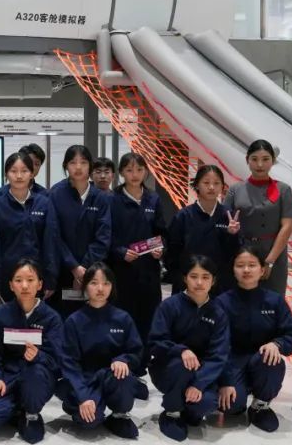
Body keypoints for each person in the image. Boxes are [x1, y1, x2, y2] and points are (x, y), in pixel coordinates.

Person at [54, 262, 142, 439]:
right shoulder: (74, 321)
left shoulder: (122, 318)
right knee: (89, 422)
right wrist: (83, 396)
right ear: (85, 286)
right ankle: (74, 404)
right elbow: (69, 362)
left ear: (112, 286)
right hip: (85, 379)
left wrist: (123, 359)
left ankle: (119, 415)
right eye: (94, 283)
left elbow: (136, 351)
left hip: (112, 376)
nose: (100, 288)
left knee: (123, 375)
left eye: (106, 283)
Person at [215, 247, 292, 432]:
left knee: (271, 359)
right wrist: (225, 381)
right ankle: (239, 392)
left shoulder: (275, 301)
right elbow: (216, 345)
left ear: (262, 270)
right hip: (233, 361)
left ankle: (261, 405)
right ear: (233, 270)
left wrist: (277, 344)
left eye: (252, 265)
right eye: (240, 265)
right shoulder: (222, 302)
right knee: (231, 407)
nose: (246, 270)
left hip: (262, 360)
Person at [149, 255, 230, 442]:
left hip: (202, 373)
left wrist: (199, 383)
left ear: (213, 281)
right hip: (169, 370)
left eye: (205, 277)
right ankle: (171, 412)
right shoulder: (170, 306)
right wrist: (180, 350)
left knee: (208, 403)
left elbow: (218, 355)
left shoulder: (218, 313)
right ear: (185, 278)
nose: (199, 282)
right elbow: (155, 341)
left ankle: (189, 411)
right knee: (182, 364)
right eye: (194, 276)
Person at [0, 259, 62, 443]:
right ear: (11, 285)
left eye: (30, 280)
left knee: (35, 373)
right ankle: (18, 409)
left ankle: (31, 413)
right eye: (18, 280)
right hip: (8, 376)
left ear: (40, 284)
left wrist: (38, 356)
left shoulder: (51, 318)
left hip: (37, 377)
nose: (24, 286)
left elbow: (57, 360)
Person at [108, 152, 166, 369]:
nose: (135, 174)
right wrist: (120, 251)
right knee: (123, 315)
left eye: (139, 170)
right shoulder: (112, 199)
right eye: (129, 170)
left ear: (146, 172)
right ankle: (123, 361)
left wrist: (160, 249)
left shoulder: (153, 199)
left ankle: (143, 361)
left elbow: (161, 232)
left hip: (148, 270)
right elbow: (106, 234)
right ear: (121, 172)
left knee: (148, 315)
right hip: (121, 270)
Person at [226, 140, 292, 296]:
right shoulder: (235, 190)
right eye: (254, 159)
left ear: (273, 161)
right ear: (247, 160)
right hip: (242, 253)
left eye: (265, 159)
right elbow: (225, 221)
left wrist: (270, 261)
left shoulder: (283, 190)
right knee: (241, 301)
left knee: (272, 301)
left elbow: (287, 227)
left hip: (273, 253)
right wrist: (230, 229)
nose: (260, 164)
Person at [48, 145, 111, 316]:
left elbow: (103, 237)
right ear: (65, 166)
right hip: (63, 271)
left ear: (90, 165)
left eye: (83, 162)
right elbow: (54, 235)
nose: (78, 167)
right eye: (72, 162)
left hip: (93, 272)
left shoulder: (100, 198)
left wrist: (85, 268)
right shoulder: (55, 194)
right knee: (62, 318)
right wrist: (74, 266)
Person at [0, 152, 59, 304]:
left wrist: (50, 277)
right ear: (6, 174)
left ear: (32, 174)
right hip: (7, 277)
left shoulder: (44, 203)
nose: (19, 176)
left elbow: (50, 243)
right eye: (13, 171)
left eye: (24, 171)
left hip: (36, 276)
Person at [165, 165, 242, 296]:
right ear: (197, 185)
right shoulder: (183, 216)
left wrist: (232, 235)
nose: (211, 187)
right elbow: (172, 252)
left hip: (220, 285)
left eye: (216, 183)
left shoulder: (229, 217)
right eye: (206, 183)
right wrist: (182, 278)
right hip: (189, 284)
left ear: (222, 187)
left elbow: (235, 254)